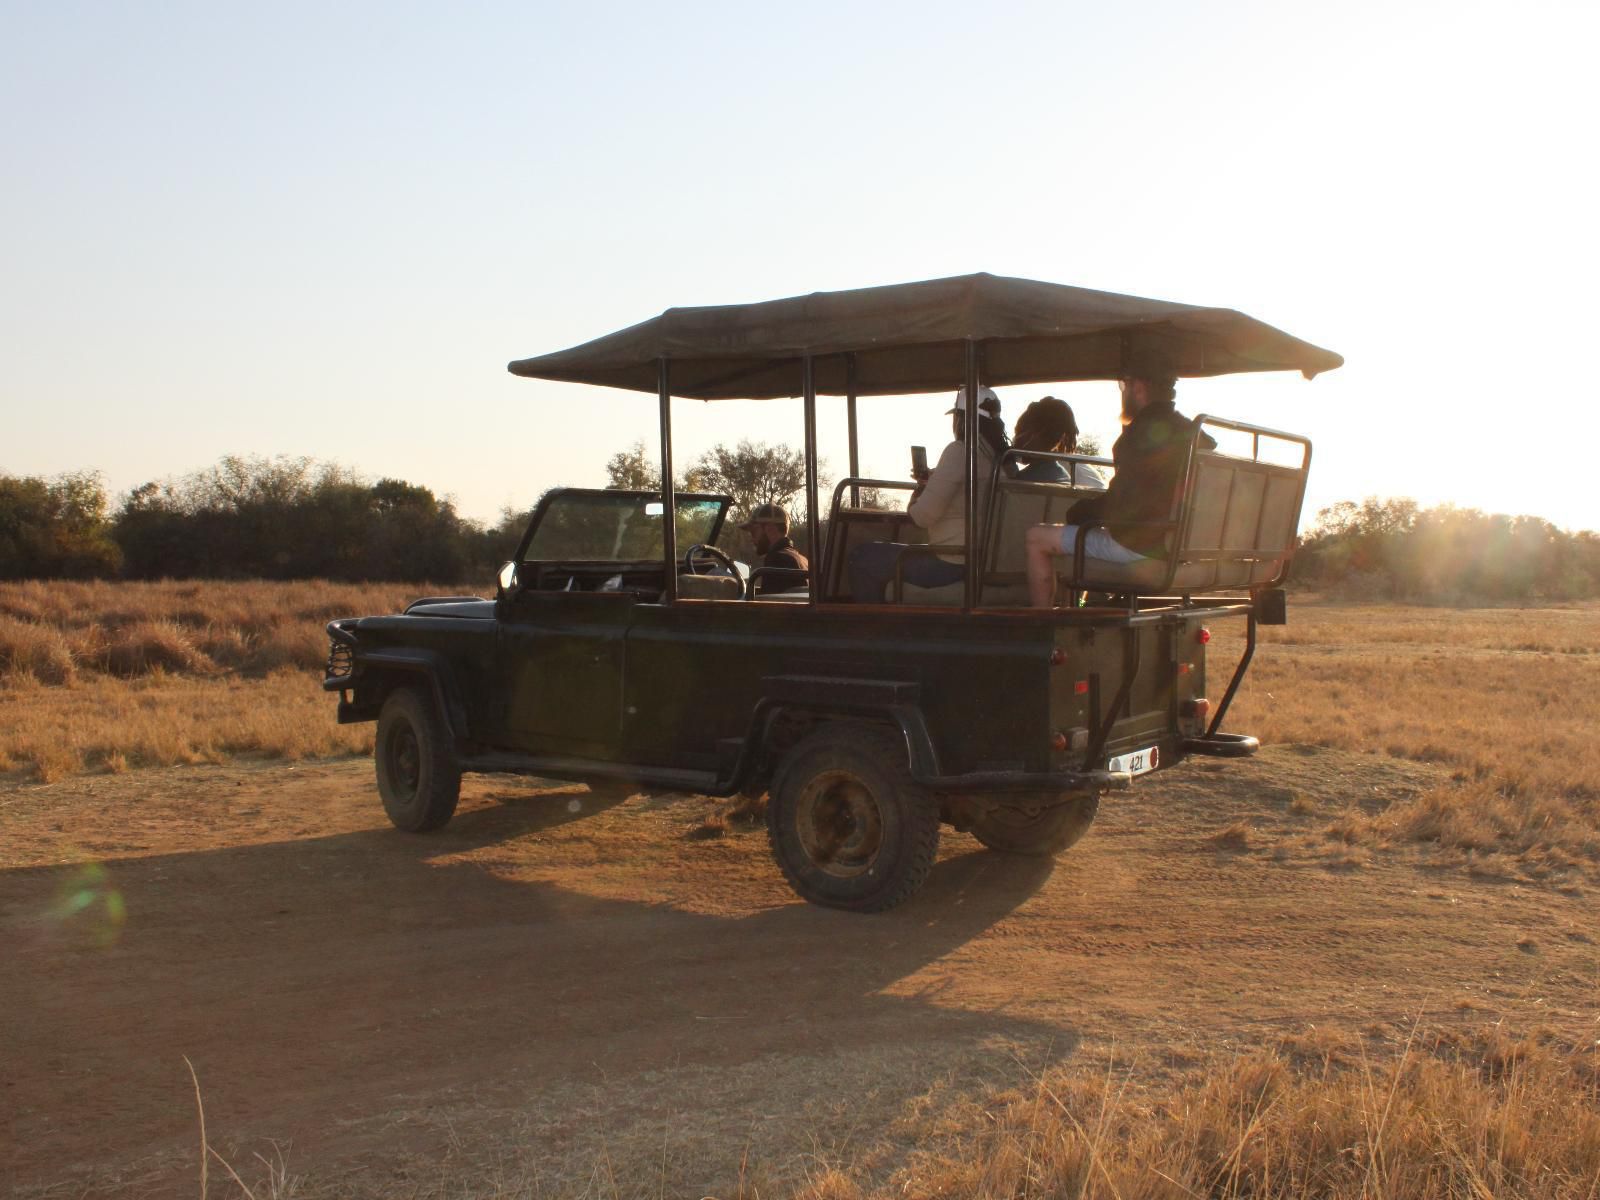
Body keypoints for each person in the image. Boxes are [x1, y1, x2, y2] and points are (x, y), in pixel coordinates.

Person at [1024, 366, 1213, 608]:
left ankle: (1042, 625)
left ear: (1139, 387)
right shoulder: (1195, 434)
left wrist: (1079, 513)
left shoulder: (1139, 436)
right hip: (1180, 549)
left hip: (1140, 545)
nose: (1124, 392)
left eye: (1124, 386)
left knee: (1036, 537)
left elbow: (1120, 505)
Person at [848, 386, 1007, 602]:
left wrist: (922, 489)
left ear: (961, 420)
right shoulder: (1002, 460)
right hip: (984, 560)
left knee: (863, 556)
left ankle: (872, 632)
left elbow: (921, 517)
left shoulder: (960, 451)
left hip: (953, 562)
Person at [1013, 396, 1108, 489]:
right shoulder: (1064, 474)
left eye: (1018, 432)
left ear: (1035, 434)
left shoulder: (1019, 483)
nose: (1014, 439)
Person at [740, 503, 809, 594]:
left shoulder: (776, 559)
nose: (752, 539)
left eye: (754, 532)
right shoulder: (802, 559)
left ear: (770, 529)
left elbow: (770, 606)